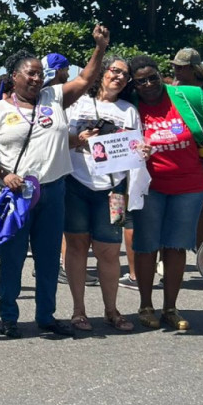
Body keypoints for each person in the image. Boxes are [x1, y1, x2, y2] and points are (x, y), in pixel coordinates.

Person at [0, 24, 109, 339]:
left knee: (49, 258)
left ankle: (46, 316)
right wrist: (2, 173)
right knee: (11, 256)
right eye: (30, 74)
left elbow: (86, 78)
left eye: (40, 73)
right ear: (14, 77)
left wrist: (100, 48)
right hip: (17, 195)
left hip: (53, 190)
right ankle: (9, 317)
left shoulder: (54, 97)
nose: (37, 79)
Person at [127, 55, 203, 331]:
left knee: (176, 246)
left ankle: (170, 307)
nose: (148, 84)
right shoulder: (132, 103)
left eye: (152, 77)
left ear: (161, 74)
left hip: (190, 187)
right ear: (134, 85)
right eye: (140, 81)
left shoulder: (187, 95)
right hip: (149, 188)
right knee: (146, 247)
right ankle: (146, 305)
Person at [63, 56, 139, 333]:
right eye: (114, 71)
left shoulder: (129, 110)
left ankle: (111, 310)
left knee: (109, 251)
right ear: (102, 73)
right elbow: (59, 141)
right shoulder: (77, 103)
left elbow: (134, 151)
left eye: (124, 75)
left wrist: (140, 152)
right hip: (76, 184)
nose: (118, 77)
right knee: (77, 247)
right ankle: (78, 311)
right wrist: (78, 140)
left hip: (114, 189)